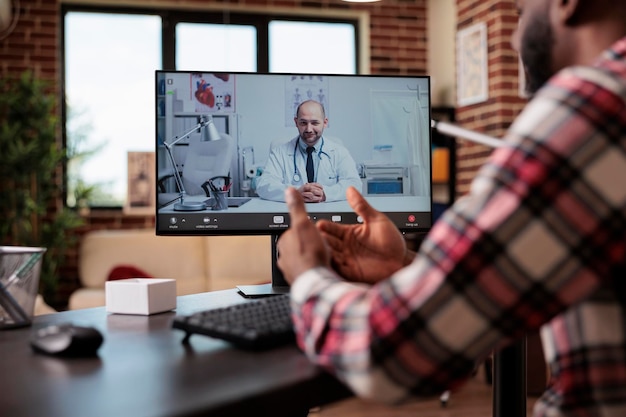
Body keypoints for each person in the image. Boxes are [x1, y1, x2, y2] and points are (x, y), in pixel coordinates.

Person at [275, 1, 626, 416]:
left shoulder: (596, 107)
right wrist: (409, 269)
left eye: (519, 11)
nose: (513, 39)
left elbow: (392, 356)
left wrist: (306, 274)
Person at [255, 100, 362, 203]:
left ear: (325, 123)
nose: (309, 129)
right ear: (296, 122)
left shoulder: (339, 152)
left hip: (328, 214)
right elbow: (264, 185)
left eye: (315, 123)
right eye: (303, 123)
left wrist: (325, 193)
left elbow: (355, 185)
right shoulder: (279, 153)